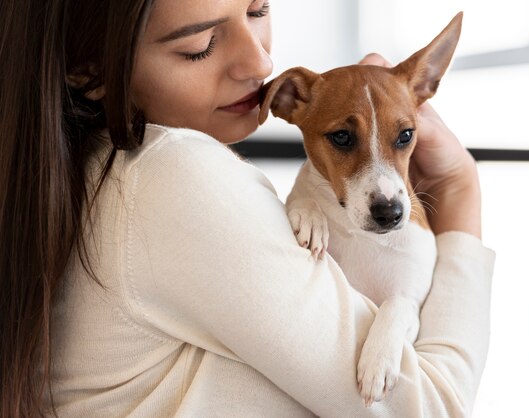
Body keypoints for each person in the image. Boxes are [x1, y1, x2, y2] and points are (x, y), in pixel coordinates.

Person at [0, 0, 494, 417]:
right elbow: (433, 405)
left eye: (257, 9)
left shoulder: (89, 173)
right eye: (199, 45)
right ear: (90, 70)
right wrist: (458, 188)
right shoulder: (174, 176)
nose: (259, 64)